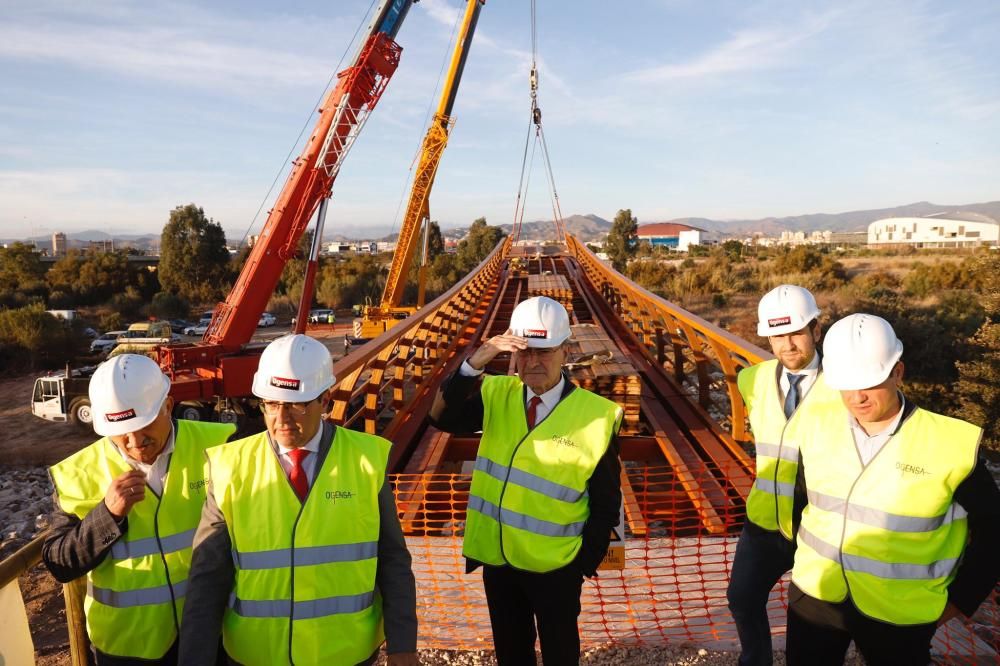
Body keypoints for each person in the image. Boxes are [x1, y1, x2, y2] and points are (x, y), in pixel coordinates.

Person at [179, 334, 418, 666]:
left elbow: (393, 561)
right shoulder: (229, 467)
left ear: (327, 398)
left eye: (297, 404)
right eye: (272, 404)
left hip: (345, 653)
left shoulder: (367, 459)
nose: (282, 418)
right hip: (256, 655)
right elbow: (208, 576)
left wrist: (403, 646)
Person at [787, 313, 1000, 666]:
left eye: (869, 382)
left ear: (898, 372)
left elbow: (994, 530)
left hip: (901, 614)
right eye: (845, 384)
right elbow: (801, 501)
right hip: (815, 597)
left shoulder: (952, 445)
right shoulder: (814, 426)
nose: (857, 397)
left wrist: (959, 602)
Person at [432, 296, 622, 665]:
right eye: (524, 351)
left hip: (556, 568)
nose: (533, 361)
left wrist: (582, 564)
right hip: (499, 561)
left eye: (545, 351)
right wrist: (476, 361)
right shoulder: (497, 395)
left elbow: (606, 502)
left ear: (565, 352)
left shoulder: (595, 416)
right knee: (511, 653)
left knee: (560, 653)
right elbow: (441, 416)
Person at [43, 354, 236, 665]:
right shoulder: (78, 474)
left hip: (208, 634)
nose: (134, 442)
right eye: (121, 433)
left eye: (144, 425)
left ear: (169, 405)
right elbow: (59, 564)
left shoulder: (219, 447)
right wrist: (107, 515)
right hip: (125, 648)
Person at [726, 285, 838, 666]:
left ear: (816, 330)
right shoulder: (752, 380)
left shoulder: (843, 386)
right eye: (777, 335)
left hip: (817, 526)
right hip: (764, 520)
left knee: (807, 621)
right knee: (741, 598)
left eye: (796, 333)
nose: (787, 344)